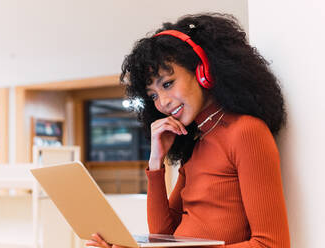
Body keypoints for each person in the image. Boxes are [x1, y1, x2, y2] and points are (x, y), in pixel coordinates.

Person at [86, 13, 290, 247]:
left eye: (168, 84)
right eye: (153, 95)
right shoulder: (198, 141)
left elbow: (272, 244)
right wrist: (155, 163)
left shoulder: (245, 132)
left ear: (203, 72)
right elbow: (163, 234)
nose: (162, 102)